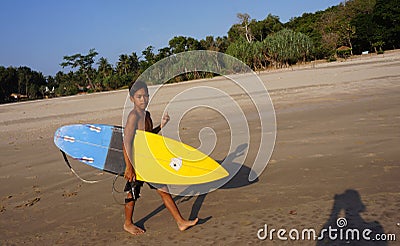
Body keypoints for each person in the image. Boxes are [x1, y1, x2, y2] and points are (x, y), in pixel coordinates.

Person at [123, 81, 198, 235]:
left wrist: (161, 126)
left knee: (161, 190)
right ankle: (128, 223)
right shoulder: (133, 116)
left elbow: (149, 137)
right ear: (132, 99)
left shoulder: (146, 115)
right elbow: (126, 143)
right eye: (139, 97)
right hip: (137, 162)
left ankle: (180, 222)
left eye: (145, 95)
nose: (143, 99)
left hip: (147, 160)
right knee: (133, 192)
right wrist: (129, 167)